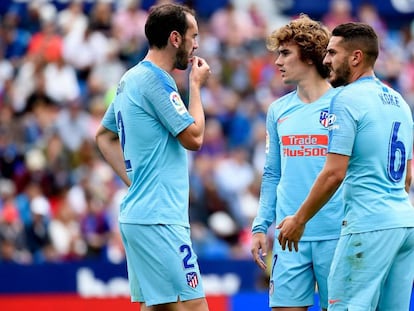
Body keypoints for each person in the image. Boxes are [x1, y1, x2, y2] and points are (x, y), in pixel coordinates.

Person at [277, 22, 414, 311]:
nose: (326, 60)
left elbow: (334, 173)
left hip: (368, 225)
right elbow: (407, 177)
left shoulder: (346, 98)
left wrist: (299, 220)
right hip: (404, 225)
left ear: (356, 58)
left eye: (332, 53)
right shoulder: (400, 102)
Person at [95, 3, 211, 311]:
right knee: (194, 305)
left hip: (142, 215)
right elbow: (195, 138)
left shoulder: (129, 79)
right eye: (193, 36)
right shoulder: (157, 80)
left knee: (160, 306)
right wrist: (196, 88)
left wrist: (136, 182)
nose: (196, 44)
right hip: (160, 218)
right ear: (175, 38)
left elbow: (104, 137)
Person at [250, 14, 343, 311]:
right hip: (289, 237)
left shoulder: (344, 104)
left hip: (335, 234)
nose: (277, 61)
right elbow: (272, 174)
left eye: (285, 53)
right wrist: (260, 225)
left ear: (309, 56)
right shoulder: (278, 110)